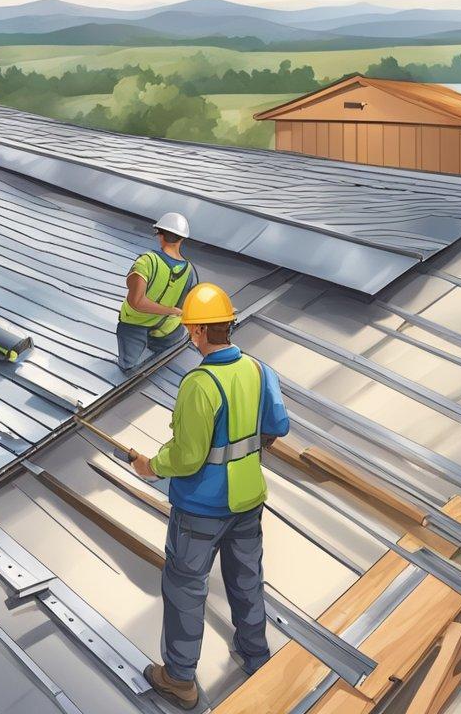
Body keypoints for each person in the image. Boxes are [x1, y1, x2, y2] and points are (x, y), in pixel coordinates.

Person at [130, 283, 290, 710]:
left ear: (198, 332)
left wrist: (150, 466)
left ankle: (180, 679)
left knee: (185, 586)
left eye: (190, 329)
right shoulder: (258, 370)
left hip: (200, 509)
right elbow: (278, 426)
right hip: (247, 499)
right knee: (246, 576)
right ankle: (256, 653)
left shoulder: (199, 384)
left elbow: (186, 457)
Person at [117, 212, 198, 372]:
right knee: (160, 368)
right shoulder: (190, 271)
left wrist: (169, 310)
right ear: (182, 239)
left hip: (134, 327)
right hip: (168, 330)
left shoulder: (147, 261)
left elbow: (137, 302)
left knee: (128, 371)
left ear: (160, 235)